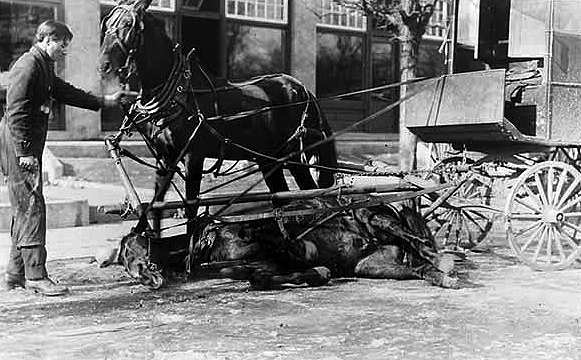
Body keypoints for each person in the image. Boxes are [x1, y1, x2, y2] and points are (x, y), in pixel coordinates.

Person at [0, 20, 132, 296]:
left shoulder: (43, 67)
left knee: (26, 206)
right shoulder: (28, 66)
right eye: (62, 44)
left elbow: (66, 92)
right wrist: (25, 152)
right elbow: (15, 114)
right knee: (32, 205)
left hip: (24, 143)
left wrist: (105, 101)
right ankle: (36, 275)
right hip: (19, 144)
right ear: (47, 39)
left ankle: (15, 274)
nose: (64, 50)